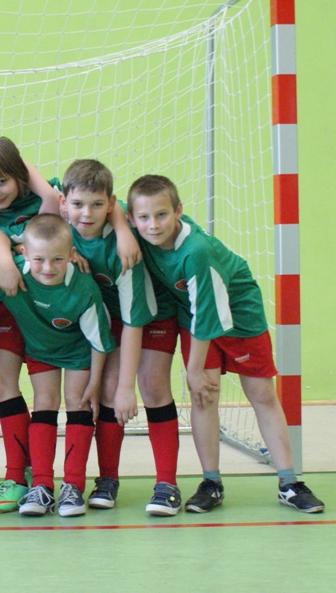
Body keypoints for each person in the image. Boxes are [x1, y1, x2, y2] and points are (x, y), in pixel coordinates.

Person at [127, 175, 325, 513]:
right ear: (132, 219)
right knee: (204, 396)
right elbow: (102, 205)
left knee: (261, 394)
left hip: (239, 317)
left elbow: (209, 315)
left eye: (161, 215)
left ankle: (289, 482)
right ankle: (211, 483)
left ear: (178, 211)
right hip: (197, 319)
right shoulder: (137, 229)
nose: (153, 224)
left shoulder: (196, 252)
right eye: (143, 217)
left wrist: (192, 370)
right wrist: (120, 230)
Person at [0, 139, 140, 514]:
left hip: (81, 340)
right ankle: (37, 484)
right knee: (38, 400)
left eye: (3, 181)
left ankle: (76, 485)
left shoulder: (57, 211)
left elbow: (96, 199)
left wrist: (124, 229)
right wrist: (6, 264)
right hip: (35, 334)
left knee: (86, 400)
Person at [57, 160, 183, 516]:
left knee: (151, 387)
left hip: (150, 315)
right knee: (107, 392)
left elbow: (133, 322)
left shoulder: (123, 249)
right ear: (64, 203)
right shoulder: (63, 229)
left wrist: (129, 388)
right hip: (109, 317)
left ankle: (167, 483)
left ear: (110, 204)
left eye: (98, 205)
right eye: (78, 205)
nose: (87, 213)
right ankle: (107, 479)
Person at [0, 214, 116, 517]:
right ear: (25, 253)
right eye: (39, 259)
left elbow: (98, 341)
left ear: (71, 254)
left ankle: (73, 486)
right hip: (41, 350)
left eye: (57, 259)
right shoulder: (13, 273)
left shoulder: (84, 288)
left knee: (78, 403)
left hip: (79, 351)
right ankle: (41, 486)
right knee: (45, 402)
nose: (48, 268)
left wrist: (95, 383)